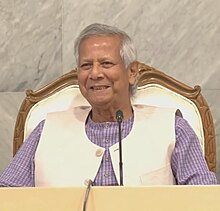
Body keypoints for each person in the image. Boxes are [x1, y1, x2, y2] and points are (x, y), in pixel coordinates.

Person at [0, 23, 218, 187]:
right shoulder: (46, 130)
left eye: (106, 63)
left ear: (131, 72)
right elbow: (8, 194)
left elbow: (204, 198)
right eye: (86, 65)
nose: (95, 73)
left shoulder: (173, 128)